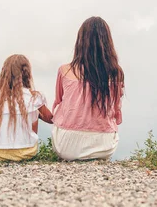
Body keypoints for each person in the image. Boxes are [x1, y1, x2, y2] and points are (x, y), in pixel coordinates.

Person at [51, 16, 125, 161]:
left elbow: (58, 102)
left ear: (80, 41)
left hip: (66, 147)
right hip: (104, 146)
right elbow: (116, 111)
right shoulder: (115, 73)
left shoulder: (64, 71)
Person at [0, 54, 53, 161]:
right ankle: (26, 141)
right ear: (27, 74)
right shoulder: (34, 97)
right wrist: (35, 112)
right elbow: (50, 119)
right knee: (34, 112)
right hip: (26, 152)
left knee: (31, 112)